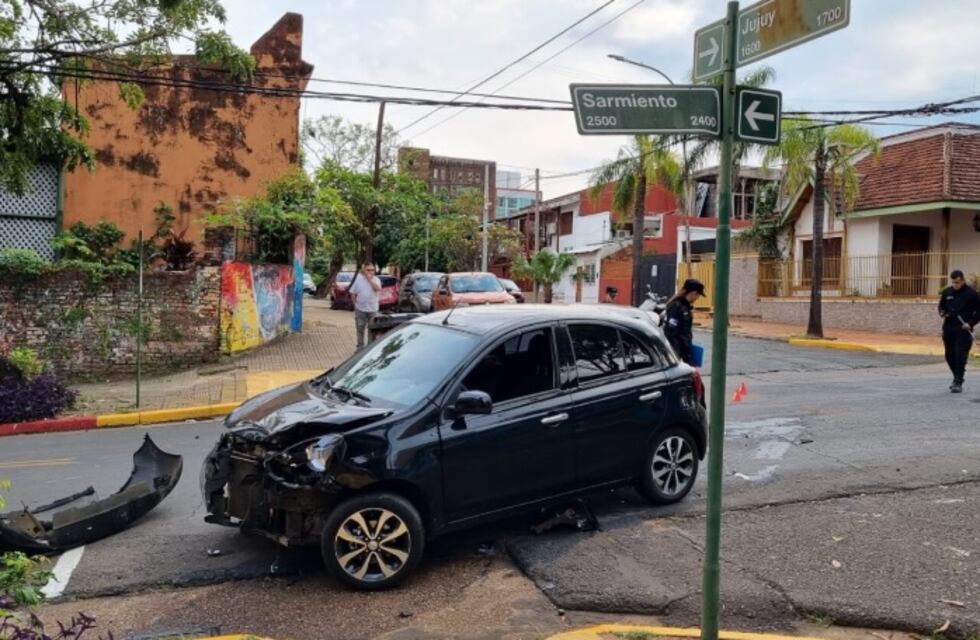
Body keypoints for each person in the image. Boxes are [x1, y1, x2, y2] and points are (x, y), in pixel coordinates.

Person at [938, 269, 980, 393]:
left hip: (963, 329)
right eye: (953, 282)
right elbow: (941, 307)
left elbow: (979, 312)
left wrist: (970, 323)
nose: (955, 285)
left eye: (957, 282)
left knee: (959, 354)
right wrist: (942, 312)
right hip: (949, 328)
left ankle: (958, 381)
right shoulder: (947, 292)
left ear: (963, 280)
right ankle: (957, 376)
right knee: (949, 355)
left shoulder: (971, 294)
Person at [663, 278, 705, 366]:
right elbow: (670, 332)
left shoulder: (685, 307)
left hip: (685, 351)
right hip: (678, 353)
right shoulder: (677, 306)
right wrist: (676, 355)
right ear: (693, 293)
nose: (698, 298)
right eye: (698, 295)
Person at [349, 265, 382, 350]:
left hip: (373, 309)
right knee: (360, 328)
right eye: (368, 270)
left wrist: (370, 280)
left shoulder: (376, 280)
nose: (370, 272)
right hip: (360, 308)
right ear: (364, 270)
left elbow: (377, 289)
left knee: (372, 329)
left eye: (372, 270)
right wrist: (355, 305)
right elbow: (352, 292)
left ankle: (369, 348)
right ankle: (360, 347)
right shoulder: (359, 280)